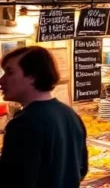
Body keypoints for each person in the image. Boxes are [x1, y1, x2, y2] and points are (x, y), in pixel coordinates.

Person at [0, 46, 87, 187]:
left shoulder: (23, 124)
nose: (1, 80)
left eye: (9, 72)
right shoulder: (70, 114)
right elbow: (82, 169)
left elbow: (13, 181)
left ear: (33, 76)